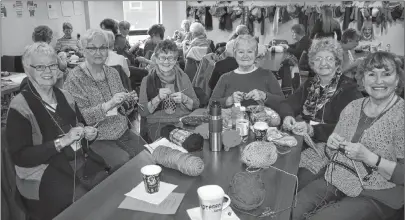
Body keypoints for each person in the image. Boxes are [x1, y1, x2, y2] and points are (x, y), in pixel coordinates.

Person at [293, 51, 404, 220]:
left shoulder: (401, 115)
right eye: (372, 74)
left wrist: (371, 158)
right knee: (293, 209)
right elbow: (333, 152)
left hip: (379, 194)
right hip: (340, 177)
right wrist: (331, 144)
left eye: (386, 74)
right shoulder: (353, 107)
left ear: (397, 80)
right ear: (363, 79)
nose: (378, 81)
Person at [6, 42, 109, 220]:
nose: (48, 71)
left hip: (73, 160)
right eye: (40, 66)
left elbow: (81, 126)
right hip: (40, 173)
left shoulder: (65, 96)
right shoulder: (20, 107)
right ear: (27, 69)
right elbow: (20, 157)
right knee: (82, 200)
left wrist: (87, 133)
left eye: (52, 65)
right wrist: (62, 142)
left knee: (107, 182)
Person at [280, 37, 364, 189]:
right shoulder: (311, 84)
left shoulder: (349, 90)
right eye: (318, 59)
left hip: (330, 149)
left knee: (295, 181)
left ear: (337, 63)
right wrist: (288, 116)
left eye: (329, 59)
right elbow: (289, 104)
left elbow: (350, 128)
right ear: (312, 64)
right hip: (304, 141)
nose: (323, 63)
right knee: (279, 168)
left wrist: (313, 129)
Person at [64, 29, 146, 169]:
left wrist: (130, 101)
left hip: (122, 131)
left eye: (103, 47)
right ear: (83, 50)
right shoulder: (75, 79)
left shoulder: (112, 73)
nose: (99, 52)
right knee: (125, 165)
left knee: (147, 155)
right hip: (97, 138)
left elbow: (123, 110)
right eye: (92, 48)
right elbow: (81, 118)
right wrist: (109, 104)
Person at [138, 39, 199, 141]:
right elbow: (142, 111)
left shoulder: (183, 77)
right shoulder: (147, 80)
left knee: (195, 141)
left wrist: (185, 99)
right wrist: (157, 98)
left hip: (182, 121)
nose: (166, 62)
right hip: (157, 123)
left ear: (175, 60)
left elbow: (195, 105)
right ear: (156, 59)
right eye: (162, 58)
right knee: (178, 143)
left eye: (170, 58)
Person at [210, 35, 284, 110]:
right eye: (241, 52)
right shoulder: (225, 78)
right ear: (235, 54)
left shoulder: (267, 75)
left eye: (250, 51)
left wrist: (264, 96)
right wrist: (229, 100)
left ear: (255, 54)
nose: (245, 56)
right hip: (233, 120)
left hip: (262, 120)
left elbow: (282, 102)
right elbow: (211, 105)